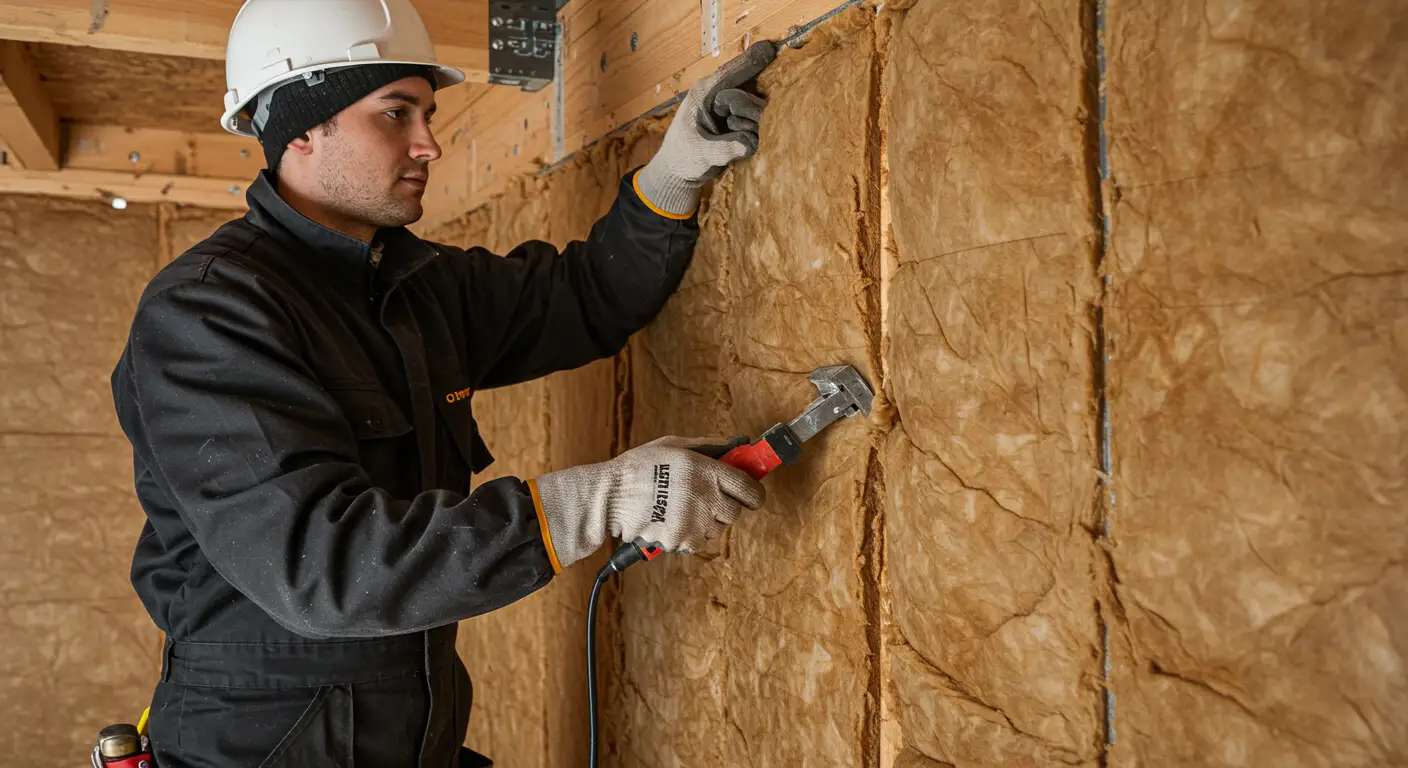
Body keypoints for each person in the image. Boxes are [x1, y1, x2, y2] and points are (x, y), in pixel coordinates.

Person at [108, 0, 778, 764]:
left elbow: (583, 298)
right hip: (261, 743)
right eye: (395, 113)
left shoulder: (413, 287)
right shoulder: (209, 312)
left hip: (407, 729)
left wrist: (672, 175)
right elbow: (324, 569)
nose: (429, 143)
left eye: (427, 112)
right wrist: (602, 500)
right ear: (299, 127)